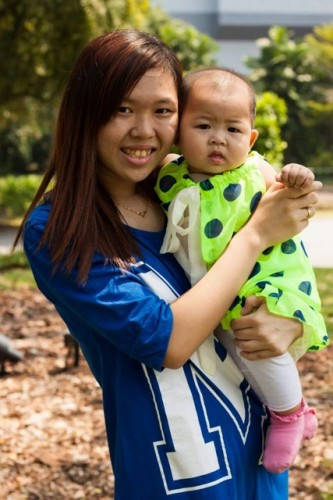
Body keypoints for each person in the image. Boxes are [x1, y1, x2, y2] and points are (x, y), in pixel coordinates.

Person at [15, 30, 323, 499]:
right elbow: (167, 339)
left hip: (258, 460)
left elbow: (281, 269)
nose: (145, 130)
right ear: (85, 112)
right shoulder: (58, 227)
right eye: (123, 109)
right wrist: (257, 232)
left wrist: (287, 325)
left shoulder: (191, 193)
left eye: (162, 111)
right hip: (176, 477)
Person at [155, 67, 328, 474]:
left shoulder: (254, 171)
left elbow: (291, 196)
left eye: (233, 129)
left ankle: (291, 412)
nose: (218, 137)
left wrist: (296, 179)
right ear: (179, 133)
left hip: (262, 283)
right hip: (214, 295)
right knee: (238, 353)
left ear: (250, 139)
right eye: (203, 125)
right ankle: (278, 408)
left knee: (256, 345)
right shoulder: (167, 176)